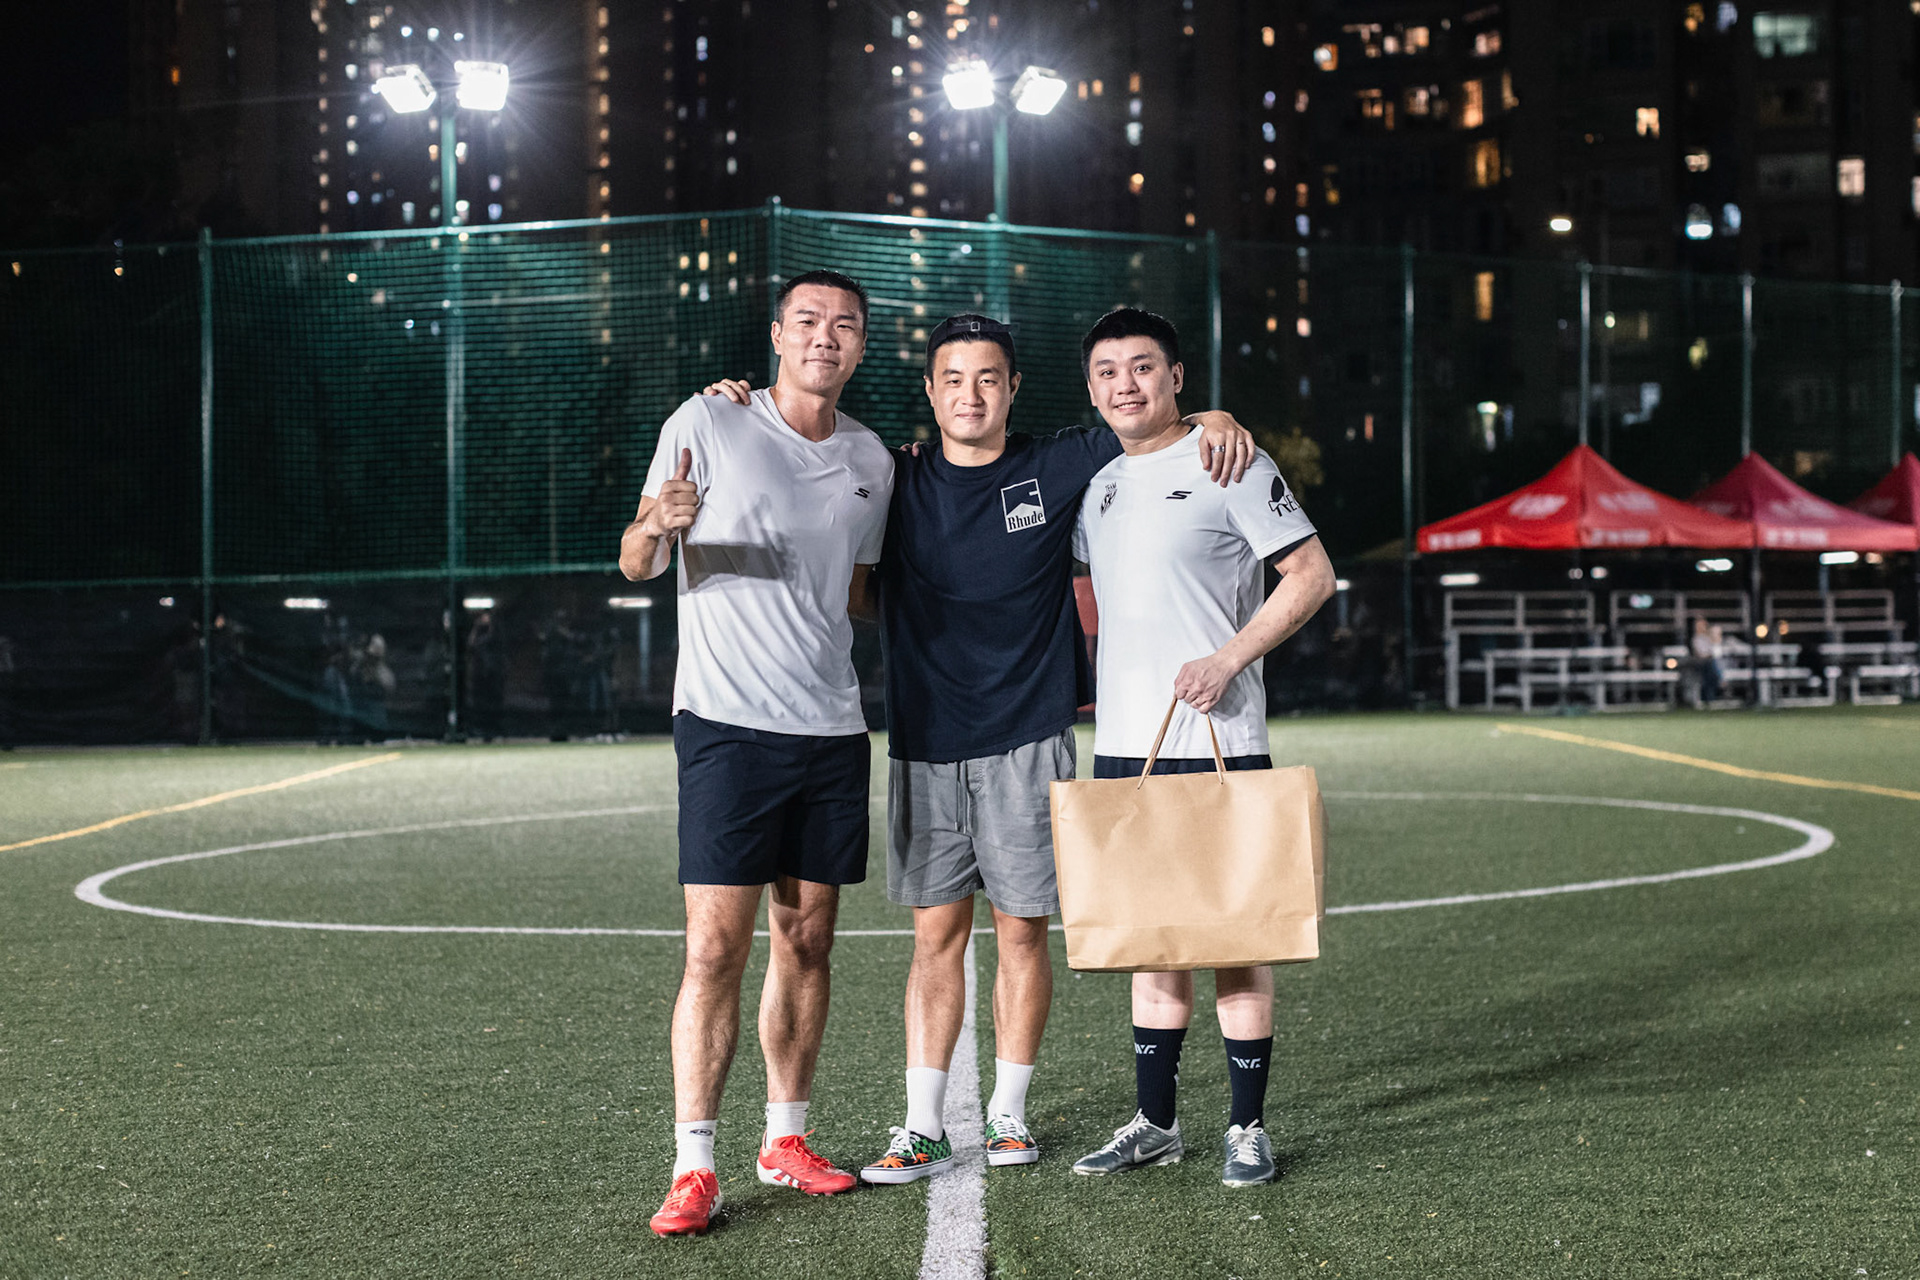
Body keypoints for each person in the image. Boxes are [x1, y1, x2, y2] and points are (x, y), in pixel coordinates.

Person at [700, 314, 1257, 1189]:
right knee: (935, 938)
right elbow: (838, 539)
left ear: (1012, 389)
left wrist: (1214, 418)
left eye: (989, 378)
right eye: (953, 379)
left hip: (1030, 737)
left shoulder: (1061, 463)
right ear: (930, 391)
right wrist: (734, 401)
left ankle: (1008, 1116)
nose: (971, 395)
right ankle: (924, 1126)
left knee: (1022, 932)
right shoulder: (895, 474)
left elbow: (1152, 424)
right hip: (925, 740)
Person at [618, 269, 895, 1237]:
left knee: (808, 941)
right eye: (808, 321)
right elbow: (636, 558)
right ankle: (694, 1164)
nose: (826, 336)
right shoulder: (710, 418)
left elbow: (859, 591)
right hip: (728, 724)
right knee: (714, 949)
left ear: (861, 345)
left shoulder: (872, 459)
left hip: (832, 728)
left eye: (845, 325)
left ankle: (785, 1139)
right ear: (777, 334)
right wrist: (656, 524)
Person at [1068, 307, 1336, 1189]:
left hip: (1220, 735)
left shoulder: (1230, 460)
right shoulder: (1098, 485)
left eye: (1143, 367)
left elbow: (1312, 575)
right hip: (1126, 744)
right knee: (1150, 940)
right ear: (1091, 389)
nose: (1126, 385)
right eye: (1108, 371)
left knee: (1236, 938)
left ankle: (1247, 1128)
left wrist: (1228, 659)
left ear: (1177, 377)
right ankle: (1155, 1123)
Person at [1690, 615, 1724, 707]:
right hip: (1701, 663)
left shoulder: (1709, 638)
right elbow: (1700, 653)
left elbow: (1717, 651)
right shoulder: (1696, 639)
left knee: (1713, 665)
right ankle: (1719, 682)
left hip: (1711, 662)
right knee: (1710, 667)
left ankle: (1712, 695)